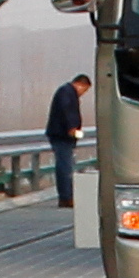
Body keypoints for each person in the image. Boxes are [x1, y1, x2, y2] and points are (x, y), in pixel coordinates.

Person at [45, 66, 89, 209]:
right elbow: (67, 111)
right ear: (81, 84)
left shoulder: (66, 92)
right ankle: (66, 197)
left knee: (65, 165)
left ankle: (67, 196)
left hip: (62, 135)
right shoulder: (67, 92)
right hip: (62, 135)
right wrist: (72, 128)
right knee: (65, 166)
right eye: (85, 90)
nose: (83, 93)